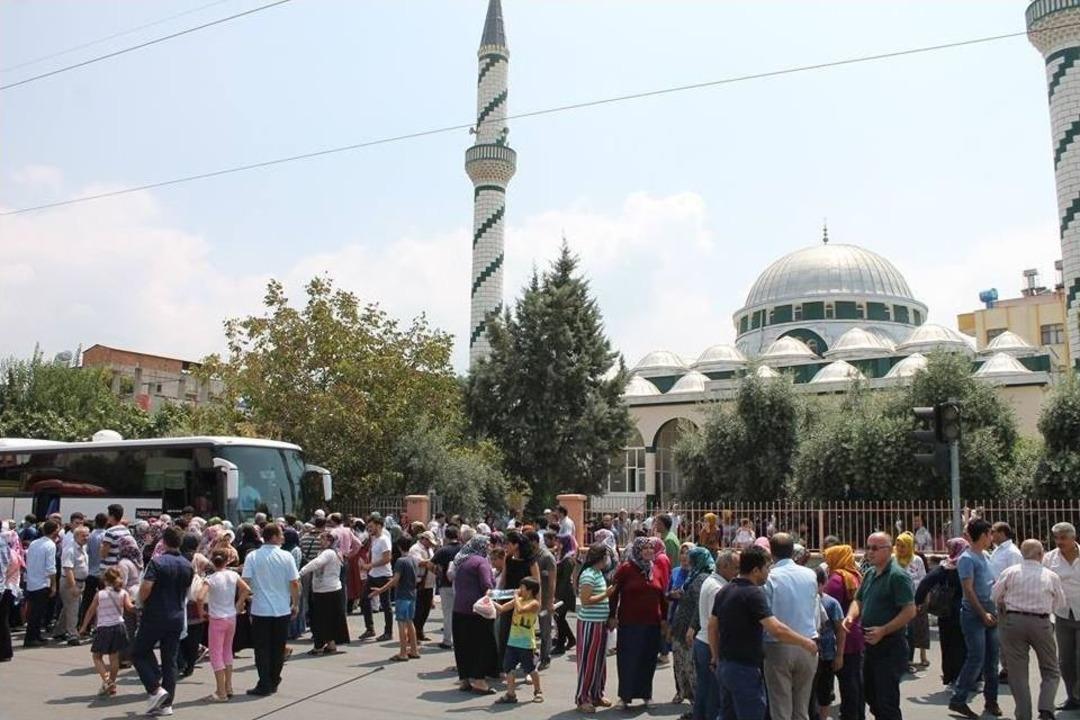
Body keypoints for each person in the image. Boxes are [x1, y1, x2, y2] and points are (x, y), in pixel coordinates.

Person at [708, 546, 819, 720]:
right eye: (767, 568)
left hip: (725, 666)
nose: (769, 572)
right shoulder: (753, 594)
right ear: (755, 570)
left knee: (727, 714)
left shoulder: (725, 590)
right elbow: (775, 628)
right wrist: (805, 642)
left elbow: (712, 626)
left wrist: (715, 657)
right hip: (745, 669)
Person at [842, 532, 916, 720]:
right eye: (868, 547)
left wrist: (884, 630)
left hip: (890, 646)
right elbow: (858, 600)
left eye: (875, 548)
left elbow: (909, 611)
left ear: (889, 550)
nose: (870, 552)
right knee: (871, 695)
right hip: (869, 644)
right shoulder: (869, 573)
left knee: (886, 702)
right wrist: (850, 617)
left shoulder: (897, 576)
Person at [993, 539, 1065, 720]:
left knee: (1018, 673)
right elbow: (1060, 603)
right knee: (1051, 669)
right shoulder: (1050, 575)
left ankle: (1024, 715)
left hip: (1013, 621)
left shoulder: (1010, 572)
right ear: (1041, 554)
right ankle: (1046, 708)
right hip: (1041, 622)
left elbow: (994, 595)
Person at [132, 526, 194, 717]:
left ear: (164, 542)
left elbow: (146, 587)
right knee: (170, 660)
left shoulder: (157, 563)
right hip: (176, 615)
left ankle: (154, 688)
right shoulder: (188, 565)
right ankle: (166, 704)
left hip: (156, 614)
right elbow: (188, 592)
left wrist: (139, 603)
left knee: (137, 652)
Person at [763, 533, 820, 720]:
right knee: (801, 708)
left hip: (778, 645)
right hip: (808, 643)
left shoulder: (770, 576)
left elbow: (765, 615)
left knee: (781, 707)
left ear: (772, 553)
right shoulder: (810, 574)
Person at [949, 519, 1001, 719]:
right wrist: (982, 613)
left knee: (992, 659)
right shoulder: (967, 558)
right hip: (974, 614)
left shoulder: (986, 555)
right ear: (982, 535)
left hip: (990, 611)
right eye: (989, 534)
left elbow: (992, 582)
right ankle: (959, 699)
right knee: (976, 657)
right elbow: (968, 590)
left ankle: (991, 700)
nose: (992, 538)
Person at [242, 522, 300, 697]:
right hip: (281, 609)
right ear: (273, 537)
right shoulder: (286, 556)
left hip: (260, 610)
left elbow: (245, 582)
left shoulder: (252, 556)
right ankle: (274, 679)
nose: (283, 537)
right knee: (277, 647)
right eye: (281, 534)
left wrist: (247, 600)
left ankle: (265, 682)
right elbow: (294, 583)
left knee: (262, 649)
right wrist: (295, 603)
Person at [610, 536, 667, 710]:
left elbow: (662, 596)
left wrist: (664, 619)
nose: (649, 551)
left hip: (652, 623)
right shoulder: (626, 569)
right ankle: (624, 697)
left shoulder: (656, 569)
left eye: (651, 548)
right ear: (637, 550)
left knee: (648, 659)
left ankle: (646, 695)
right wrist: (612, 615)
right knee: (628, 659)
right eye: (645, 548)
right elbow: (613, 593)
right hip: (629, 623)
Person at [690, 549, 737, 720]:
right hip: (710, 645)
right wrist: (715, 655)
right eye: (735, 567)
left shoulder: (713, 582)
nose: (737, 571)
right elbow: (714, 625)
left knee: (705, 691)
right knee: (713, 695)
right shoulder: (718, 588)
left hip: (705, 643)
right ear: (724, 566)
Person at [916, 537, 968, 687]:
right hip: (966, 609)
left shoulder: (945, 566)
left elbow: (925, 583)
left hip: (945, 610)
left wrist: (917, 602)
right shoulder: (968, 563)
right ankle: (965, 676)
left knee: (947, 643)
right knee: (964, 644)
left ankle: (949, 675)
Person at [200, 550, 250, 702]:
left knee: (216, 654)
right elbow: (246, 589)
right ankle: (228, 686)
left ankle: (221, 691)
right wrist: (239, 602)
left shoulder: (211, 578)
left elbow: (200, 596)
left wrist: (202, 611)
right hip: (231, 616)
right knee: (227, 651)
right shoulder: (233, 575)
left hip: (217, 618)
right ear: (227, 561)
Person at [451, 534, 499, 694]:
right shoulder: (482, 562)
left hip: (459, 609)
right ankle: (479, 681)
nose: (490, 548)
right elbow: (486, 586)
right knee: (481, 645)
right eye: (488, 545)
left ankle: (464, 680)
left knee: (463, 645)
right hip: (477, 612)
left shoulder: (463, 561)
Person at [672, 546, 715, 720]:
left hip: (690, 631)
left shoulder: (703, 578)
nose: (687, 560)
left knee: (692, 672)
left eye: (692, 558)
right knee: (685, 670)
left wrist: (692, 628)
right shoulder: (694, 575)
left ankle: (699, 710)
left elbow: (698, 607)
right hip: (682, 628)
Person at [822, 544, 864, 720]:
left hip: (841, 636)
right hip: (855, 633)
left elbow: (827, 607)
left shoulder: (836, 580)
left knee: (846, 683)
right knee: (855, 682)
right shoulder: (855, 575)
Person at [78, 566, 133, 697]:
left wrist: (84, 626)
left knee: (97, 656)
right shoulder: (123, 593)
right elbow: (130, 608)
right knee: (114, 657)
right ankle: (112, 684)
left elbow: (91, 611)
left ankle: (107, 680)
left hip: (104, 627)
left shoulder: (100, 594)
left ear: (105, 580)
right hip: (119, 626)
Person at [576, 542, 617, 713]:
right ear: (600, 558)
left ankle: (596, 694)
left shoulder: (599, 573)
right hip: (589, 624)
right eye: (606, 556)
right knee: (588, 662)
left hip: (600, 624)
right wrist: (605, 595)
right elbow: (585, 601)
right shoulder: (588, 575)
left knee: (599, 662)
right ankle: (583, 697)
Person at [1044, 522, 1080, 712]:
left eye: (1063, 538)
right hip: (1062, 614)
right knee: (1065, 660)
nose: (1059, 542)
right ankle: (1073, 697)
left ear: (1073, 538)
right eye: (1056, 537)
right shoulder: (1050, 558)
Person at [494, 576, 545, 704]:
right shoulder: (518, 600)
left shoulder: (534, 603)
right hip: (513, 641)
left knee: (530, 668)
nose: (519, 590)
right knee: (508, 668)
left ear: (530, 590)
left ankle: (538, 691)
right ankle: (511, 694)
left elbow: (521, 610)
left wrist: (516, 596)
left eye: (522, 587)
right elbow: (502, 608)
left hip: (526, 643)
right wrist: (489, 600)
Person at [299, 530, 349, 655]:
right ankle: (331, 644)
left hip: (326, 591)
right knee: (329, 619)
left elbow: (316, 563)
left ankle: (319, 646)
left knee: (320, 620)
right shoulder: (332, 552)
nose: (319, 541)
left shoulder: (329, 553)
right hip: (329, 590)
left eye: (322, 539)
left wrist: (300, 572)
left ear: (329, 541)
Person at [371, 536, 420, 662]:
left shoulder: (400, 561)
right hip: (412, 594)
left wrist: (380, 590)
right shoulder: (414, 559)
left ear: (398, 547)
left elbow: (396, 579)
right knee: (410, 622)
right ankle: (414, 649)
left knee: (401, 624)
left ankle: (403, 652)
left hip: (402, 595)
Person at [813, 566, 847, 720]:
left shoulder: (831, 603)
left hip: (827, 655)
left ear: (823, 584)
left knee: (825, 692)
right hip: (810, 655)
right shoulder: (805, 601)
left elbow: (840, 630)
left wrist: (839, 655)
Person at [894, 531, 930, 671]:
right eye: (898, 545)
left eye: (903, 546)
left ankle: (909, 660)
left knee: (912, 631)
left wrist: (921, 599)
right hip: (896, 602)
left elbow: (923, 579)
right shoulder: (893, 560)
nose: (900, 549)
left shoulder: (917, 560)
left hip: (913, 601)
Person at [23, 519, 59, 647]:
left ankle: (35, 635)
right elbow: (51, 567)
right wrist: (54, 585)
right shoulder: (50, 545)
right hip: (42, 582)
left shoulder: (34, 543)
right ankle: (31, 638)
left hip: (32, 581)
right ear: (55, 531)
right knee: (37, 613)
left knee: (34, 611)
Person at [360, 515, 393, 642]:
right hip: (373, 575)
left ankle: (388, 632)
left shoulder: (384, 539)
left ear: (379, 526)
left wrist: (370, 565)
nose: (369, 528)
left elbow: (387, 558)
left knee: (386, 604)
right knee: (364, 599)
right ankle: (370, 628)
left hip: (383, 575)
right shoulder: (374, 539)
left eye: (371, 526)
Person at [528, 529, 557, 670]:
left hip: (545, 599)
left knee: (545, 631)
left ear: (534, 541)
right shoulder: (528, 556)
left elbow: (552, 581)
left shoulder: (547, 557)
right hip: (530, 599)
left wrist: (550, 601)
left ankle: (545, 658)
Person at [57, 524, 90, 644]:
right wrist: (73, 587)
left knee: (68, 608)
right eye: (83, 536)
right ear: (76, 536)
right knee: (73, 609)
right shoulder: (70, 550)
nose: (86, 538)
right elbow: (68, 569)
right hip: (70, 582)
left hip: (80, 582)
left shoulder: (83, 548)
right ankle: (72, 635)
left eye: (87, 535)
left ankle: (59, 631)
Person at [431, 525, 461, 650]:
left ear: (446, 536)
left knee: (448, 614)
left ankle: (447, 640)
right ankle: (459, 639)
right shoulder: (463, 549)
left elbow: (430, 564)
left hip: (446, 585)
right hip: (461, 585)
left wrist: (438, 573)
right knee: (459, 614)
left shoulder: (443, 550)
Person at [409, 530, 437, 642]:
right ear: (423, 539)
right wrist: (432, 562)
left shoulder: (429, 549)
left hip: (429, 582)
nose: (430, 544)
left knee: (426, 609)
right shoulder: (415, 549)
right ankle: (414, 633)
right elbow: (419, 562)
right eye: (429, 541)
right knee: (418, 610)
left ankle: (420, 631)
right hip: (419, 582)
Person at [553, 533, 578, 656]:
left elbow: (564, 580)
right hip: (560, 591)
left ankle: (560, 644)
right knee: (559, 618)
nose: (557, 544)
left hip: (564, 593)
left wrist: (558, 596)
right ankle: (571, 639)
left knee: (559, 618)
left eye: (559, 542)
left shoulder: (568, 559)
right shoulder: (563, 557)